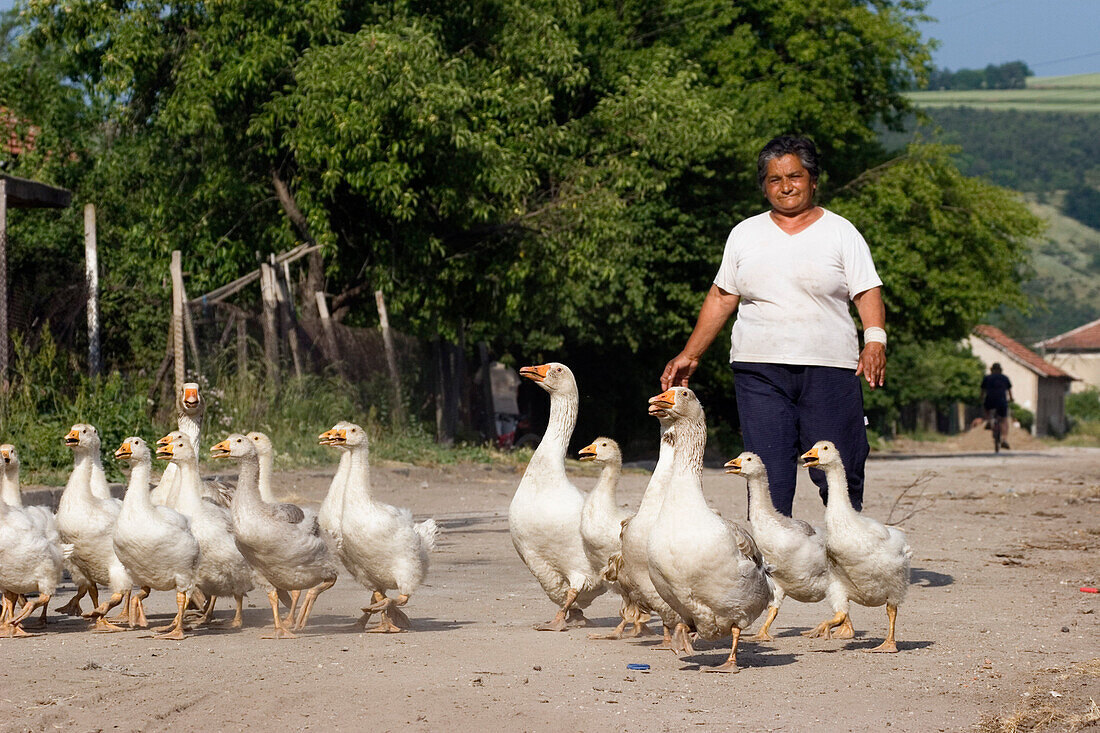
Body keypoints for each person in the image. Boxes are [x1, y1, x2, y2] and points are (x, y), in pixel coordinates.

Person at [661, 135, 886, 516]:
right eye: (774, 179)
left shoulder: (841, 232)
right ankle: (773, 566)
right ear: (763, 186)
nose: (785, 186)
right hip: (758, 368)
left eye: (795, 176)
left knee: (841, 468)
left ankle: (848, 554)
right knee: (766, 471)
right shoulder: (745, 234)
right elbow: (721, 296)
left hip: (829, 366)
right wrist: (690, 354)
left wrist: (875, 341)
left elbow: (867, 292)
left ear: (813, 180)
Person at [980, 362, 1013, 450]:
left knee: (986, 408)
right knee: (1004, 420)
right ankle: (1004, 440)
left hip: (990, 400)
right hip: (1002, 401)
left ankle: (989, 421)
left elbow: (983, 390)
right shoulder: (1005, 378)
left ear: (991, 370)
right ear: (1000, 370)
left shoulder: (987, 378)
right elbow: (1009, 391)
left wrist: (981, 398)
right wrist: (1011, 399)